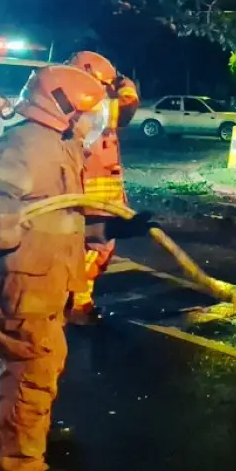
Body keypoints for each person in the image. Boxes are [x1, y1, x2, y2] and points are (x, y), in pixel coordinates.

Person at [0, 65, 118, 471]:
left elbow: (61, 214)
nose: (91, 123)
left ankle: (27, 443)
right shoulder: (29, 143)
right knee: (29, 371)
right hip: (20, 283)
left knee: (40, 367)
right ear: (61, 106)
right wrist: (7, 234)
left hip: (41, 281)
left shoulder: (57, 144)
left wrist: (111, 229)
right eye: (86, 113)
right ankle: (16, 470)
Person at [65, 50, 140, 325]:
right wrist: (123, 81)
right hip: (98, 193)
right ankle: (78, 304)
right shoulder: (99, 105)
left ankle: (72, 301)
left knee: (77, 245)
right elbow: (130, 103)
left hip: (79, 188)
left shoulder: (68, 104)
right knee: (98, 248)